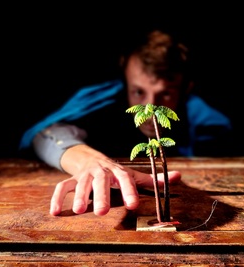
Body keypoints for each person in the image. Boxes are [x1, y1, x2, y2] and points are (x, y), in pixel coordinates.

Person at [19, 29, 232, 217]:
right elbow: (47, 133)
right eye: (138, 91)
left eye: (166, 94)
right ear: (125, 81)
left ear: (186, 89)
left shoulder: (209, 124)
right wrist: (88, 162)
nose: (150, 108)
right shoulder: (100, 101)